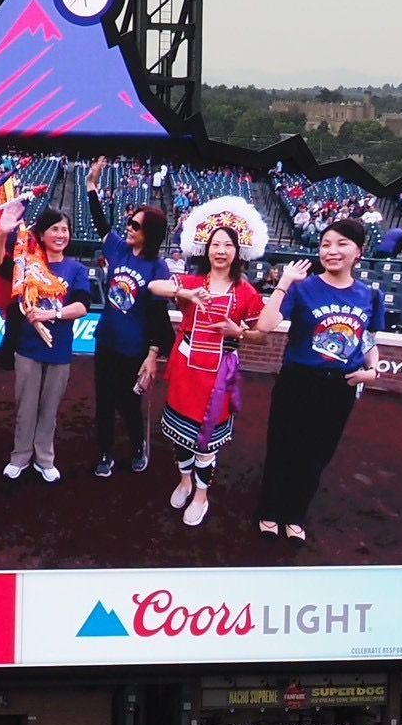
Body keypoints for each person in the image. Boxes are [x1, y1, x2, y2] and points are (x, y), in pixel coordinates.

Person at [253, 219, 383, 542]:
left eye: (342, 244)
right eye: (326, 244)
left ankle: (295, 513)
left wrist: (374, 369)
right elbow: (265, 325)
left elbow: (367, 337)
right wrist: (284, 281)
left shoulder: (370, 295)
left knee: (316, 456)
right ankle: (270, 510)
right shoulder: (303, 288)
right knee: (282, 448)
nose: (332, 250)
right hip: (298, 381)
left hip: (340, 387)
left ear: (359, 251)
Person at [148, 197, 268, 527]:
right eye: (216, 244)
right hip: (186, 370)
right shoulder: (190, 282)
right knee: (180, 436)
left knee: (205, 445)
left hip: (218, 378)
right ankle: (185, 481)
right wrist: (183, 295)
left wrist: (238, 332)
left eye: (228, 245)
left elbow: (262, 335)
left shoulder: (247, 293)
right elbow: (153, 286)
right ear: (207, 248)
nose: (221, 251)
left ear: (237, 251)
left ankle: (201, 494)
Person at [84, 158, 173, 479]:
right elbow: (99, 222)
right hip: (106, 340)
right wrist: (91, 185)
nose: (129, 227)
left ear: (148, 233)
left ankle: (138, 446)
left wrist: (152, 353)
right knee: (104, 402)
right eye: (130, 223)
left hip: (134, 349)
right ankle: (105, 452)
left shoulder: (157, 268)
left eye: (135, 225)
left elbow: (159, 318)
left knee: (129, 402)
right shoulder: (119, 250)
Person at [0, 204, 92, 483]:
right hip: (27, 348)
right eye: (54, 229)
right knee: (26, 406)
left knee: (49, 407)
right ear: (42, 233)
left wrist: (51, 313)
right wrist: (2, 233)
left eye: (65, 229)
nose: (61, 234)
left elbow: (82, 306)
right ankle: (20, 456)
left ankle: (44, 458)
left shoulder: (76, 270)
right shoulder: (27, 261)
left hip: (59, 350)